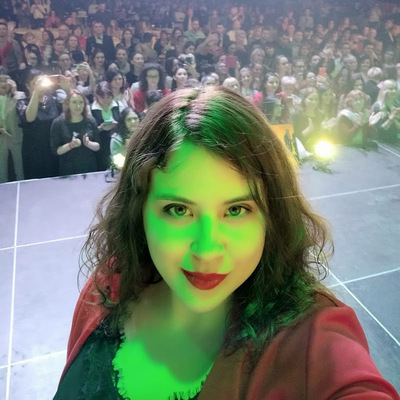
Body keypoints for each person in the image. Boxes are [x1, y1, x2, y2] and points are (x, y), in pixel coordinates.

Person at [53, 86, 400, 399]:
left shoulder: (313, 340)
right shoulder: (109, 285)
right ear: (139, 211)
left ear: (272, 215)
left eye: (236, 210)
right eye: (178, 210)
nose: (207, 251)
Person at [16, 69, 66, 179]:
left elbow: (67, 114)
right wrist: (35, 93)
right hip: (34, 153)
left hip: (53, 150)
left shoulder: (53, 100)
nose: (40, 86)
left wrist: (67, 88)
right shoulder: (22, 103)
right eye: (35, 83)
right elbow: (30, 118)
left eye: (41, 82)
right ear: (27, 86)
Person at [50, 90, 100, 176]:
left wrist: (88, 143)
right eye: (74, 102)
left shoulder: (91, 120)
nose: (78, 106)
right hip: (68, 171)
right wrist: (70, 145)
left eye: (81, 102)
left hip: (89, 169)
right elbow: (55, 151)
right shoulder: (58, 123)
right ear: (68, 104)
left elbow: (98, 146)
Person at [0, 68, 24, 183]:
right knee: (2, 169)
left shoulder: (18, 96)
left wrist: (15, 91)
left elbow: (23, 112)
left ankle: (23, 187)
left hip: (15, 137)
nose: (3, 84)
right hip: (1, 139)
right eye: (1, 81)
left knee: (19, 168)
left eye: (6, 80)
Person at [90, 81, 120, 171]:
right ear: (97, 96)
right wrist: (100, 128)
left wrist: (116, 125)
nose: (106, 100)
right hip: (100, 146)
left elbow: (125, 125)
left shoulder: (118, 105)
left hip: (116, 144)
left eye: (108, 97)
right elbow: (89, 131)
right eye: (102, 97)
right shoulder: (90, 109)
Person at [369, 79, 400, 145]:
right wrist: (390, 119)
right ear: (384, 91)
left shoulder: (397, 105)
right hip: (381, 142)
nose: (393, 91)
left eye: (395, 89)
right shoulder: (378, 106)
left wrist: (394, 119)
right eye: (390, 89)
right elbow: (380, 130)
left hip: (395, 141)